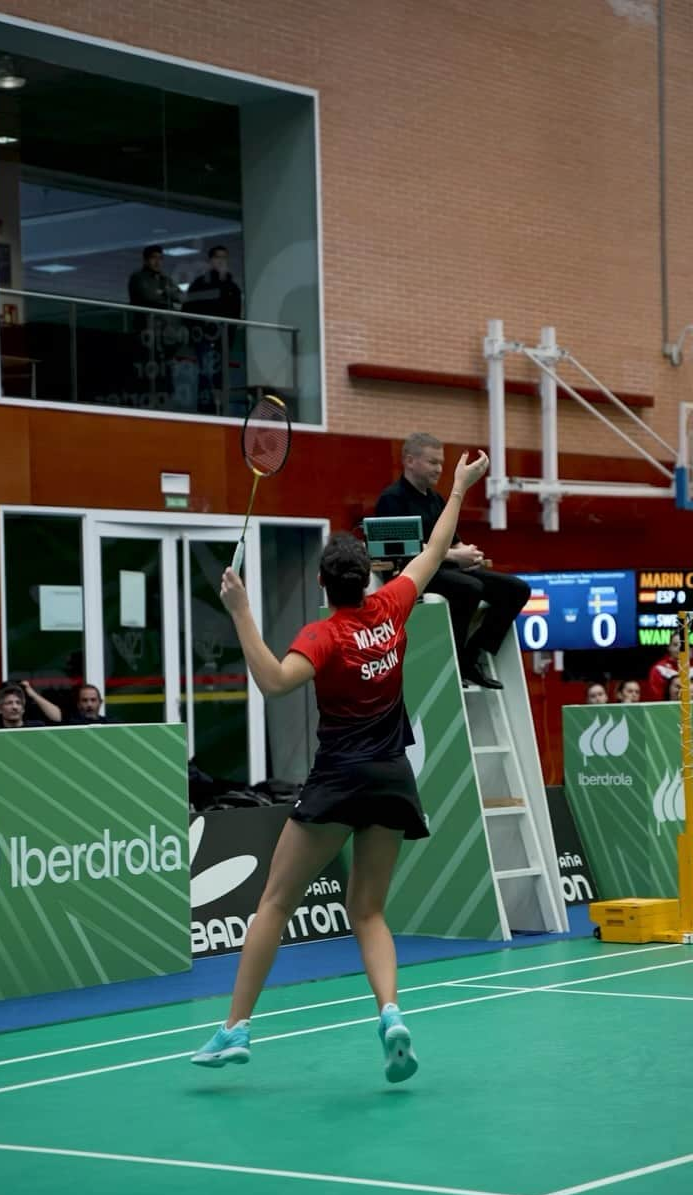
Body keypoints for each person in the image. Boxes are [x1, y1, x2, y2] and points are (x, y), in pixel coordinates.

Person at [191, 447, 490, 1081]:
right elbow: (435, 549)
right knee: (371, 911)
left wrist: (242, 613)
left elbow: (274, 681)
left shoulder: (322, 637)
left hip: (336, 784)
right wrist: (460, 487)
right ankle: (391, 1015)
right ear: (370, 577)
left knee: (274, 902)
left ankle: (235, 1028)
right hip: (390, 781)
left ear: (325, 585)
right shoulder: (394, 610)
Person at [374, 433, 530, 688]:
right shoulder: (392, 499)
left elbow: (453, 541)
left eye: (441, 462)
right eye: (432, 462)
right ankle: (455, 662)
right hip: (412, 575)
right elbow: (399, 550)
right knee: (470, 588)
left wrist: (468, 553)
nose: (439, 468)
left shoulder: (436, 500)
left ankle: (472, 654)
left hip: (446, 570)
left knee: (516, 589)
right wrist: (454, 555)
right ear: (410, 461)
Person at [184, 245, 243, 412]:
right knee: (206, 373)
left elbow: (235, 316)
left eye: (224, 257)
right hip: (203, 338)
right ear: (210, 261)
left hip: (223, 339)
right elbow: (188, 311)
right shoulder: (200, 284)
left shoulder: (232, 288)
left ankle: (222, 410)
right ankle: (206, 410)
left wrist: (229, 337)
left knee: (221, 375)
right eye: (217, 257)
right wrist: (198, 332)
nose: (221, 261)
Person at [128, 245, 182, 314]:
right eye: (154, 258)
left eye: (160, 258)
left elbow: (181, 297)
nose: (158, 262)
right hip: (145, 318)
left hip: (166, 318)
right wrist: (167, 294)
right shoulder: (138, 277)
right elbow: (149, 298)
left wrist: (162, 292)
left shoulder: (165, 279)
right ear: (145, 260)